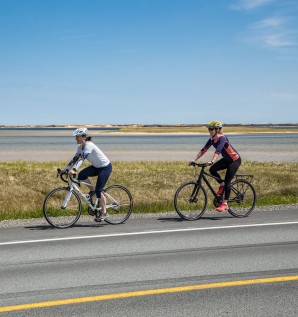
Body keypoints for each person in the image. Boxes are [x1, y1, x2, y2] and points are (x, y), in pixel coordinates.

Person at [61, 128, 112, 222]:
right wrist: (66, 169)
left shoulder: (89, 145)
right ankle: (92, 191)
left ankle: (104, 213)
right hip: (97, 167)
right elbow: (74, 159)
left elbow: (82, 158)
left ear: (83, 137)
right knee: (82, 175)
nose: (76, 138)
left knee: (99, 190)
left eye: (77, 137)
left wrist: (74, 170)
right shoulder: (80, 148)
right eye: (76, 137)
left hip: (105, 167)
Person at [190, 120, 241, 212]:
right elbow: (203, 150)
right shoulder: (212, 140)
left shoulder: (222, 138)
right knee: (212, 169)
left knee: (228, 181)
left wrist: (213, 160)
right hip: (226, 160)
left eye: (211, 129)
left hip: (234, 160)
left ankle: (225, 204)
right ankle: (222, 185)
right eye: (209, 129)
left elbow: (218, 149)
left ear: (217, 130)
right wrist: (194, 159)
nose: (209, 131)